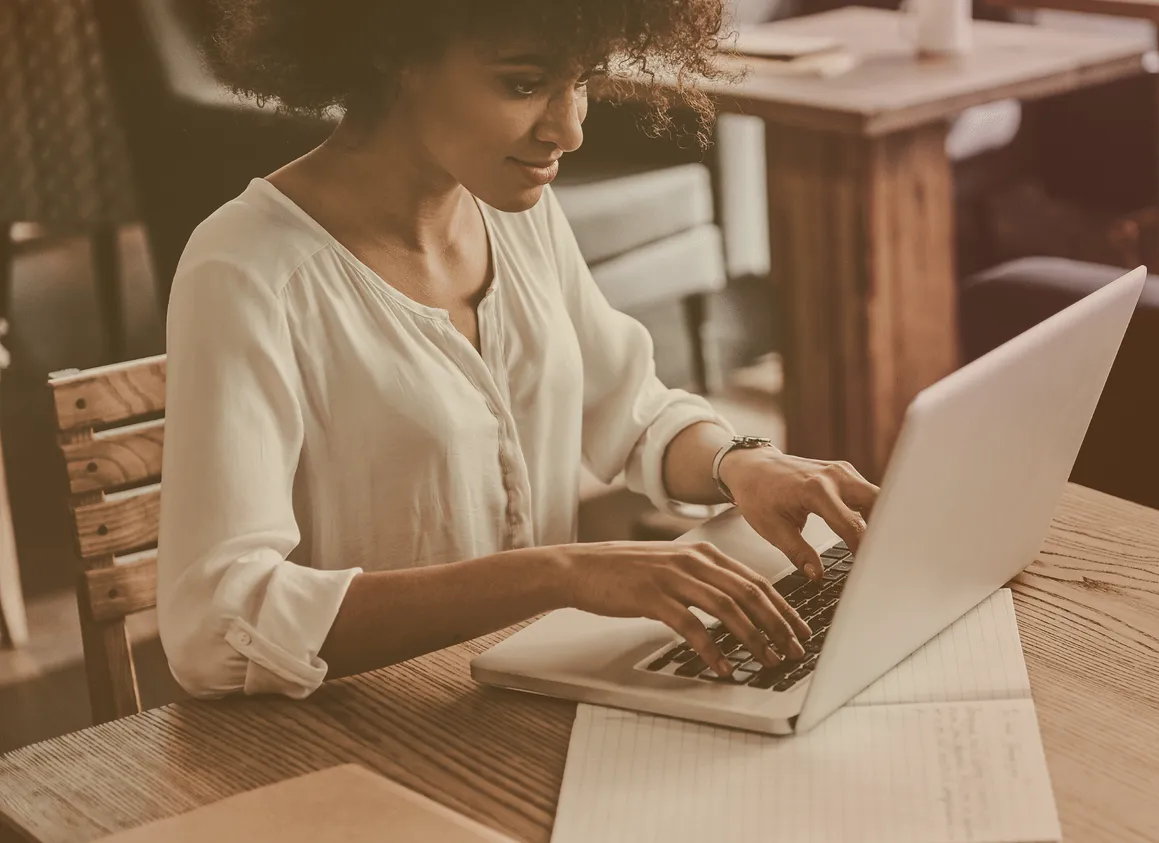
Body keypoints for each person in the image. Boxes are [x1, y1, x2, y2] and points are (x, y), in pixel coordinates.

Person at [156, 0, 879, 701]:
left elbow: (629, 410)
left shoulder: (510, 211)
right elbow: (216, 626)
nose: (569, 131)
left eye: (584, 79)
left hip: (521, 696)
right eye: (524, 84)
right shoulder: (247, 270)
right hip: (357, 742)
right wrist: (562, 573)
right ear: (393, 46)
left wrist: (739, 462)